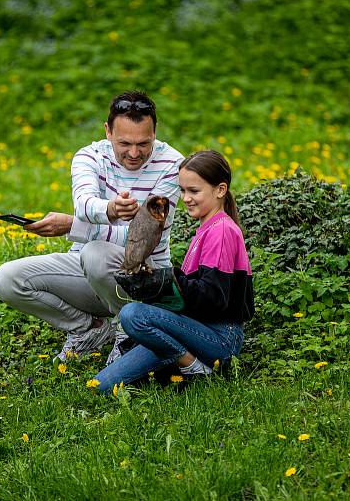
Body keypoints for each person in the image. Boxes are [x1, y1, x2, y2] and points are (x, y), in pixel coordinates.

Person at [0, 91, 183, 362]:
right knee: (8, 279)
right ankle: (88, 330)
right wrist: (110, 209)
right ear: (107, 131)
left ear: (155, 132)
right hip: (87, 271)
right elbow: (83, 203)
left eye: (143, 143)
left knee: (95, 253)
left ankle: (130, 331)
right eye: (124, 143)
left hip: (144, 279)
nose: (134, 153)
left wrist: (74, 226)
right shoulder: (89, 156)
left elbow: (143, 240)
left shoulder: (173, 164)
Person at [94, 150, 254, 393]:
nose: (186, 198)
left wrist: (169, 279)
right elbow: (191, 297)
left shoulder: (221, 231)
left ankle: (194, 368)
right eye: (183, 190)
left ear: (220, 190)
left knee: (132, 314)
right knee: (102, 386)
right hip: (191, 331)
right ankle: (178, 366)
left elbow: (214, 298)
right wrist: (155, 288)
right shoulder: (206, 229)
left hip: (220, 337)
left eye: (194, 191)